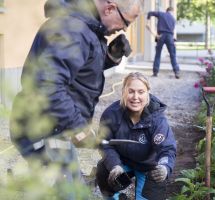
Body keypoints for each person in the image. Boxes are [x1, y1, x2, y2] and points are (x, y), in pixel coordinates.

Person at [9, 0, 143, 196]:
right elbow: (47, 86)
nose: (123, 28)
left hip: (54, 126)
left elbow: (79, 71)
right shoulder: (72, 30)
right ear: (110, 8)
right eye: (126, 22)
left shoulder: (87, 27)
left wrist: (110, 57)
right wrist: (78, 127)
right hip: (42, 128)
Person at [96, 72, 176, 200]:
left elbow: (167, 149)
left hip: (148, 166)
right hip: (122, 163)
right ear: (123, 91)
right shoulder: (111, 114)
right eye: (131, 91)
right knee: (103, 169)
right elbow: (104, 144)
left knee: (155, 186)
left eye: (141, 92)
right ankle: (115, 197)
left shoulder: (157, 119)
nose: (135, 97)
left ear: (148, 93)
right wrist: (114, 165)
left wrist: (164, 167)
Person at [147, 7, 180, 79]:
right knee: (172, 55)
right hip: (170, 37)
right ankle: (176, 72)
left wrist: (148, 22)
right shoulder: (173, 19)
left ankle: (155, 72)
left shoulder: (161, 14)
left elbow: (150, 13)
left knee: (158, 54)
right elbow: (173, 31)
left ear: (166, 10)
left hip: (161, 36)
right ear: (172, 11)